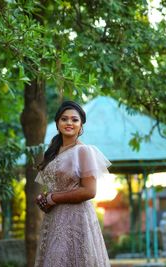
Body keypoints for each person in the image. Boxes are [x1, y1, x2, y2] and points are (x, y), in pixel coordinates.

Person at [34, 100, 111, 267]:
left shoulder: (83, 151)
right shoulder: (53, 151)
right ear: (57, 123)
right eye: (64, 119)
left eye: (74, 120)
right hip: (53, 218)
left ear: (81, 124)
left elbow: (89, 191)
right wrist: (44, 197)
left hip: (76, 218)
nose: (69, 123)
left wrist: (53, 198)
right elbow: (55, 185)